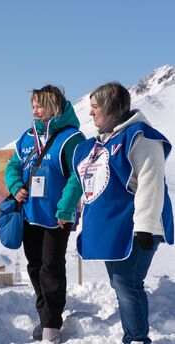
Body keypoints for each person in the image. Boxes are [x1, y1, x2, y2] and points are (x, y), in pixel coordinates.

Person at [73, 82, 173, 344]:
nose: (91, 113)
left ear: (111, 108)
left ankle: (137, 338)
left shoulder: (141, 137)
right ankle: (133, 335)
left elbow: (151, 183)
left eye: (95, 107)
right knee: (121, 284)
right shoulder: (101, 143)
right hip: (115, 230)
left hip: (137, 229)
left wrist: (145, 226)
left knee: (128, 284)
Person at [4, 85, 85, 343]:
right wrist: (15, 187)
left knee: (51, 267)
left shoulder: (72, 138)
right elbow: (13, 167)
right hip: (29, 215)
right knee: (34, 267)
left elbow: (78, 176)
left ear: (54, 107)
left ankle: (51, 324)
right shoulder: (27, 138)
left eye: (39, 105)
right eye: (33, 106)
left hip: (56, 217)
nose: (35, 111)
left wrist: (65, 207)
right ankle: (45, 314)